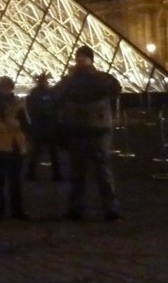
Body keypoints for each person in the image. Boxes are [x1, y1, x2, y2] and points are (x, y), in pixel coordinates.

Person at [53, 45, 122, 222]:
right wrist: (71, 77)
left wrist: (89, 74)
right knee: (77, 173)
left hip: (98, 130)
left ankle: (110, 208)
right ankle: (76, 208)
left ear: (91, 60)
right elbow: (56, 95)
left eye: (84, 58)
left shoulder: (102, 77)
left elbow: (115, 88)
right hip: (78, 130)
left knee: (103, 172)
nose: (80, 61)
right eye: (78, 58)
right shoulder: (71, 80)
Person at [0, 77, 30, 220]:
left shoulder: (16, 103)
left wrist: (14, 124)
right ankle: (0, 211)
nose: (7, 91)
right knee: (0, 180)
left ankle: (14, 210)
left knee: (13, 181)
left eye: (9, 88)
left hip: (14, 146)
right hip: (1, 146)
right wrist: (13, 124)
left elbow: (26, 122)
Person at [24, 73, 63, 182]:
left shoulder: (34, 94)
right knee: (51, 152)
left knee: (37, 152)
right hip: (46, 126)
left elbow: (32, 109)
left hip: (39, 126)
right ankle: (56, 174)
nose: (47, 83)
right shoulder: (48, 93)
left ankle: (31, 173)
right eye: (46, 81)